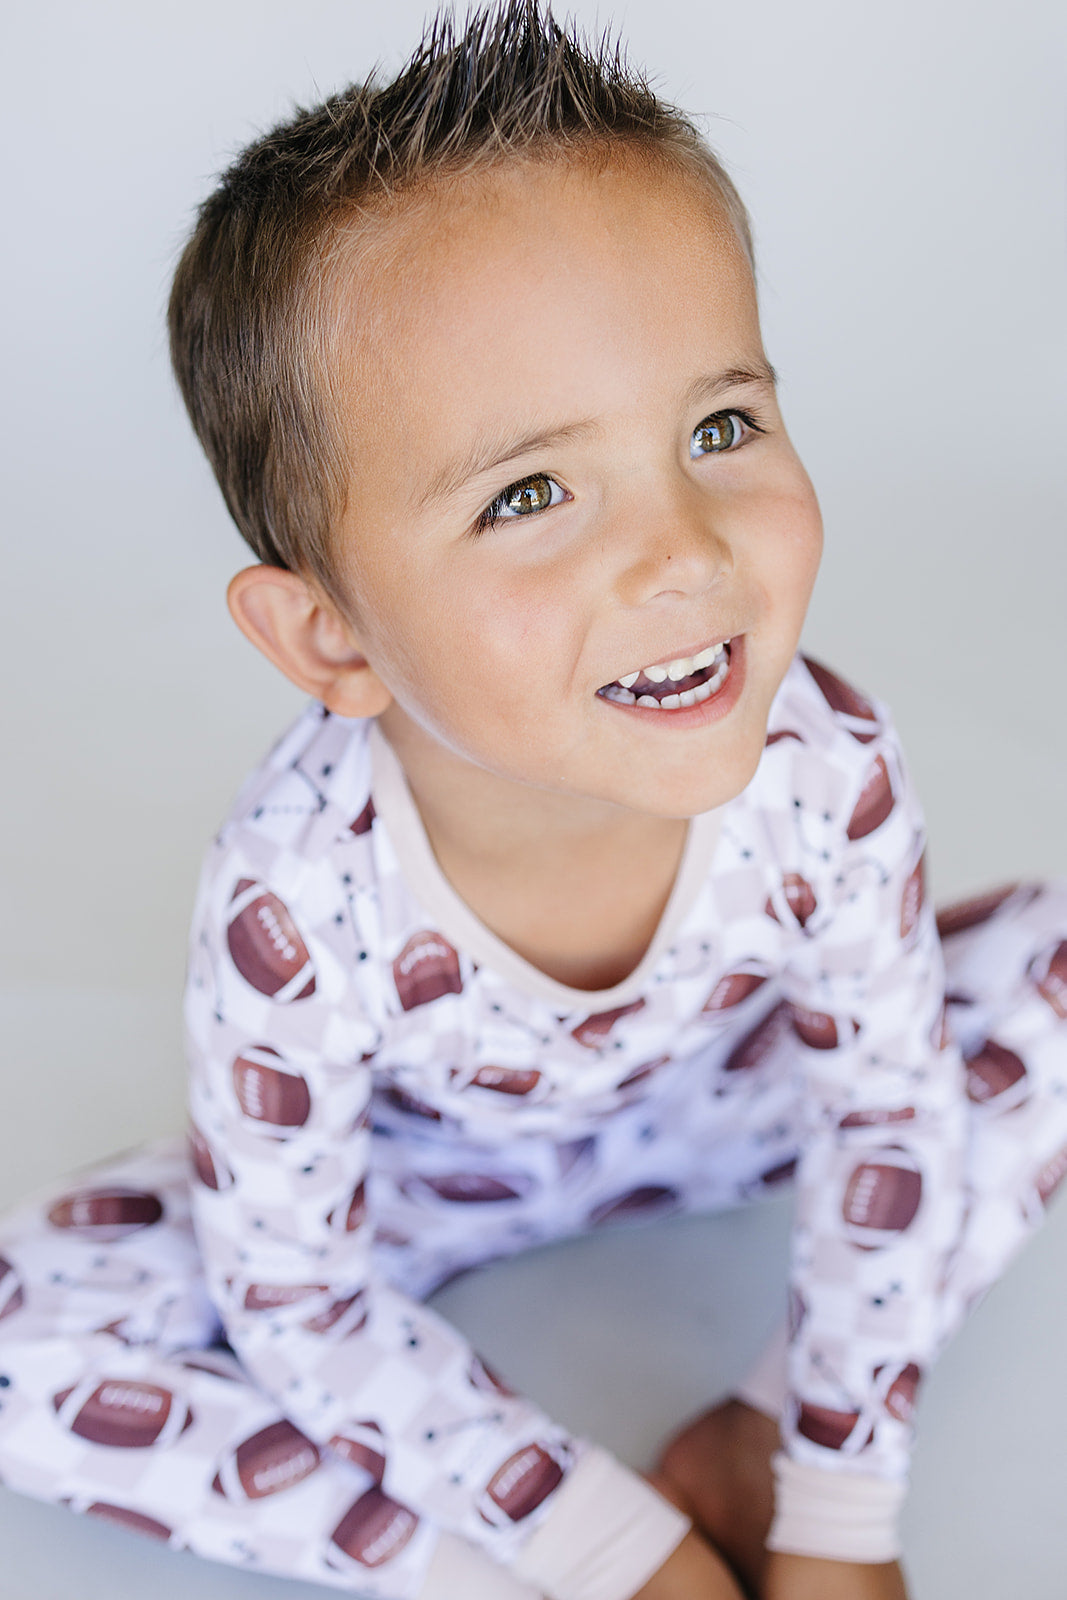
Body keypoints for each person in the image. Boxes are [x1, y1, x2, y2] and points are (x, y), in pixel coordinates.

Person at [0, 4, 1064, 1598]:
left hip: (727, 1106)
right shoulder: (295, 898)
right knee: (23, 1339)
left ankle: (764, 1437)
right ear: (330, 636)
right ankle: (537, 1573)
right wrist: (614, 1551)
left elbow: (888, 1114)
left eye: (719, 426)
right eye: (530, 493)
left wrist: (844, 1521)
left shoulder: (823, 770)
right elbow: (297, 1300)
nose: (686, 554)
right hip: (418, 1188)